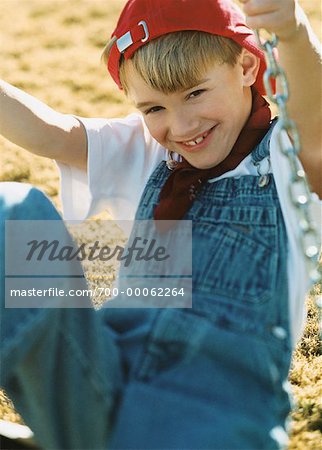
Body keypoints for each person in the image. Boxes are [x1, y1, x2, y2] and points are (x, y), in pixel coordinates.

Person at [0, 0, 321, 449]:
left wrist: (292, 31)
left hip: (215, 414)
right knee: (13, 210)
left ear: (247, 66)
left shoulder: (286, 160)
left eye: (195, 93)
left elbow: (317, 120)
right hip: (100, 375)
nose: (181, 125)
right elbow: (49, 132)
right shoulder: (150, 154)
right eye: (153, 109)